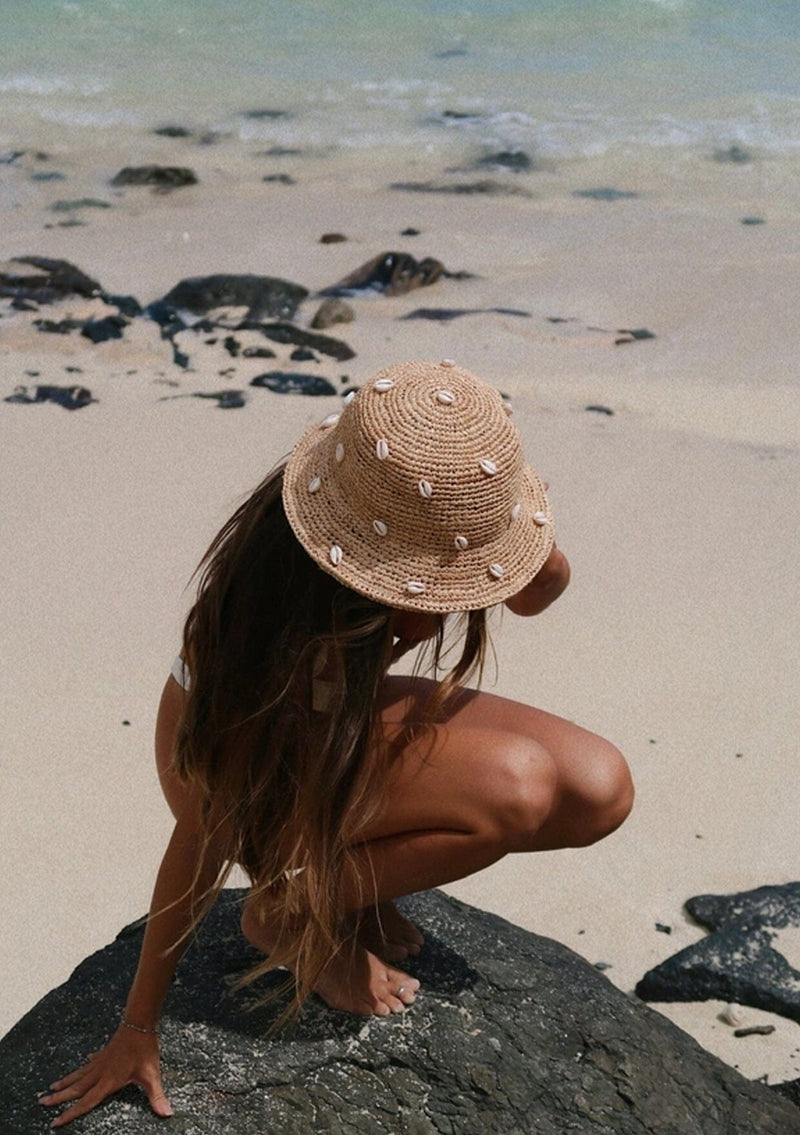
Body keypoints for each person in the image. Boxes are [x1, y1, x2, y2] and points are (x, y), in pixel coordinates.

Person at [41, 359, 634, 1127]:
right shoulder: (278, 622)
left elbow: (536, 594)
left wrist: (510, 538)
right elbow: (203, 827)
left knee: (600, 786)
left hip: (335, 727)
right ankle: (287, 910)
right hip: (244, 766)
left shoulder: (426, 523)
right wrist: (138, 1027)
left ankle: (349, 881)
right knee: (516, 786)